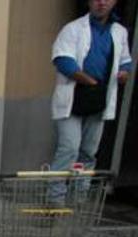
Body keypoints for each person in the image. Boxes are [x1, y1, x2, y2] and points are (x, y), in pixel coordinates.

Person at [49, 0, 131, 199]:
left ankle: (79, 198)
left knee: (88, 152)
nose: (101, 3)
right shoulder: (73, 29)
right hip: (74, 97)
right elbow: (63, 61)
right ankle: (55, 200)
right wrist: (90, 81)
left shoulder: (120, 32)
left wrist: (124, 73)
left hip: (98, 99)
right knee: (69, 149)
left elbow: (126, 61)